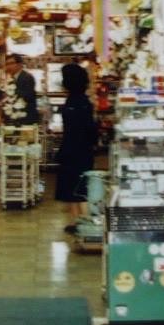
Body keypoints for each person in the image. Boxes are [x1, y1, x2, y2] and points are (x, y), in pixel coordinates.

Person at [55, 61, 97, 233]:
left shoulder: (76, 102)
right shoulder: (81, 101)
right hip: (80, 149)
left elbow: (80, 129)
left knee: (78, 187)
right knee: (75, 186)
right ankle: (76, 222)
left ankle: (84, 222)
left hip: (75, 149)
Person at [2, 53, 40, 125]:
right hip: (16, 118)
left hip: (26, 117)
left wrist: (10, 94)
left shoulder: (26, 77)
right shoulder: (11, 78)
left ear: (19, 64)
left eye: (11, 63)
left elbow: (28, 96)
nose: (8, 66)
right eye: (7, 64)